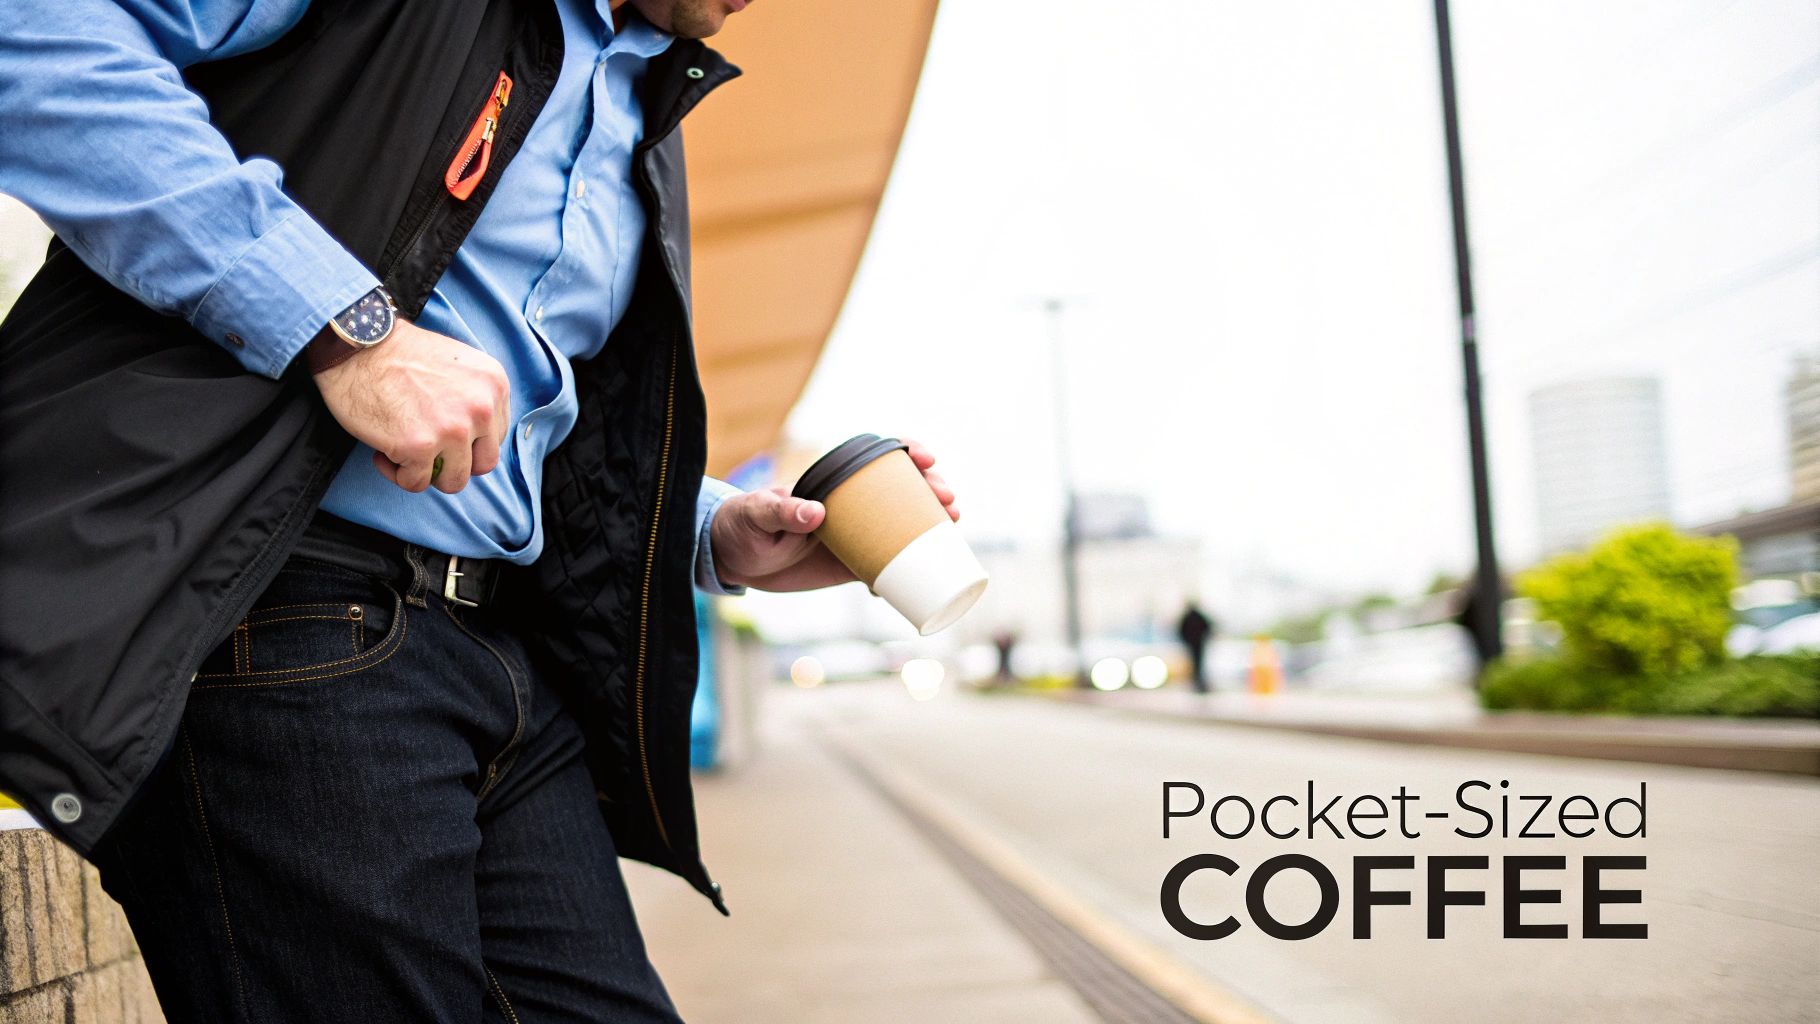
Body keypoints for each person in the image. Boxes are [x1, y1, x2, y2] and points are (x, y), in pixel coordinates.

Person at [0, 1, 959, 1020]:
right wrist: (344, 327)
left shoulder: (642, 98)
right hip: (284, 618)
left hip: (493, 654)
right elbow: (34, 33)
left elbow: (525, 419)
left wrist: (712, 531)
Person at [1177, 601, 1217, 693]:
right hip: (1198, 644)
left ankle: (1197, 683)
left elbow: (1181, 630)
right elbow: (1208, 627)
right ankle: (1198, 683)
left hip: (1193, 644)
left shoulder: (1188, 617)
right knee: (1199, 664)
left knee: (1195, 664)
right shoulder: (1199, 616)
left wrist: (1186, 640)